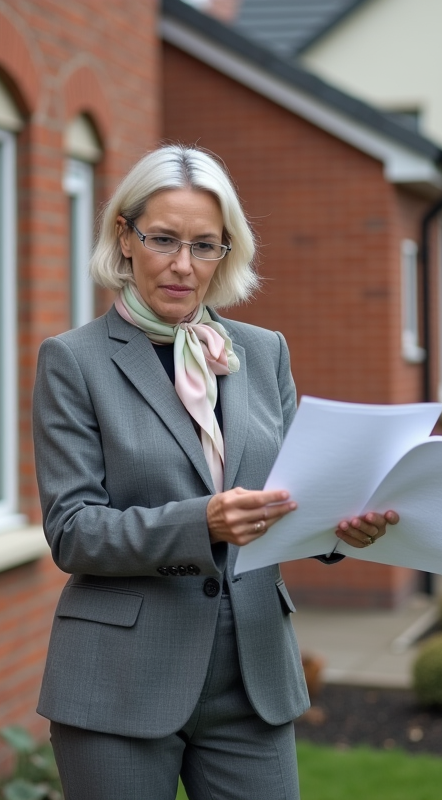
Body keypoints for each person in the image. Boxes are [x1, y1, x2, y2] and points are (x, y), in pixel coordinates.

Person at [32, 145, 399, 800]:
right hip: (120, 679)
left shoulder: (263, 353)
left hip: (251, 672)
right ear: (125, 236)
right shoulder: (73, 362)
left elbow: (296, 494)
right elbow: (73, 532)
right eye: (164, 240)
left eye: (205, 246)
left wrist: (344, 528)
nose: (183, 266)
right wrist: (200, 522)